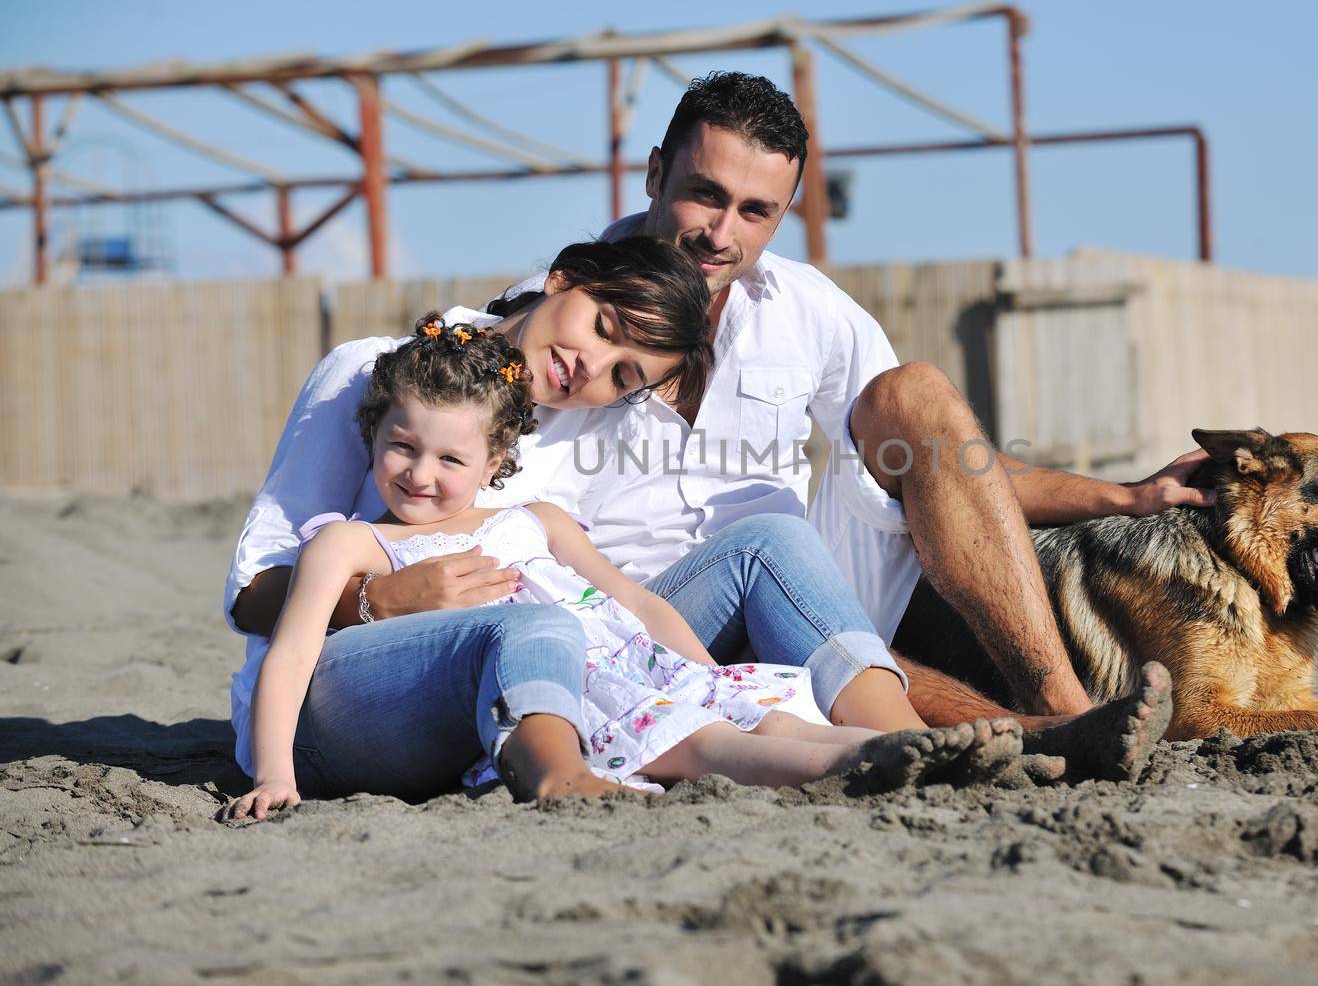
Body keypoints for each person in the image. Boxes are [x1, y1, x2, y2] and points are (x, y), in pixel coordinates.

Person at [480, 73, 1199, 770]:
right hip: (641, 614)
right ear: (656, 172)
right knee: (775, 551)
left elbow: (953, 457)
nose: (721, 233)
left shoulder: (803, 308)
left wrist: (1128, 497)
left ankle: (1061, 712)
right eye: (706, 195)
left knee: (911, 396)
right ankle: (1008, 736)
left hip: (796, 587)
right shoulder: (564, 326)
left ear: (783, 215)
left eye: (755, 211)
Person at [227, 236, 944, 803]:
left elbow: (624, 592)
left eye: (624, 373)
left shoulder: (594, 422)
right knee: (533, 628)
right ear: (562, 279)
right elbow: (250, 591)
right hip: (360, 679)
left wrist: (701, 683)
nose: (590, 367)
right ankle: (562, 769)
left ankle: (909, 743)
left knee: (769, 543)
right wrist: (375, 600)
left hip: (562, 644)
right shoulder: (379, 375)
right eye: (602, 326)